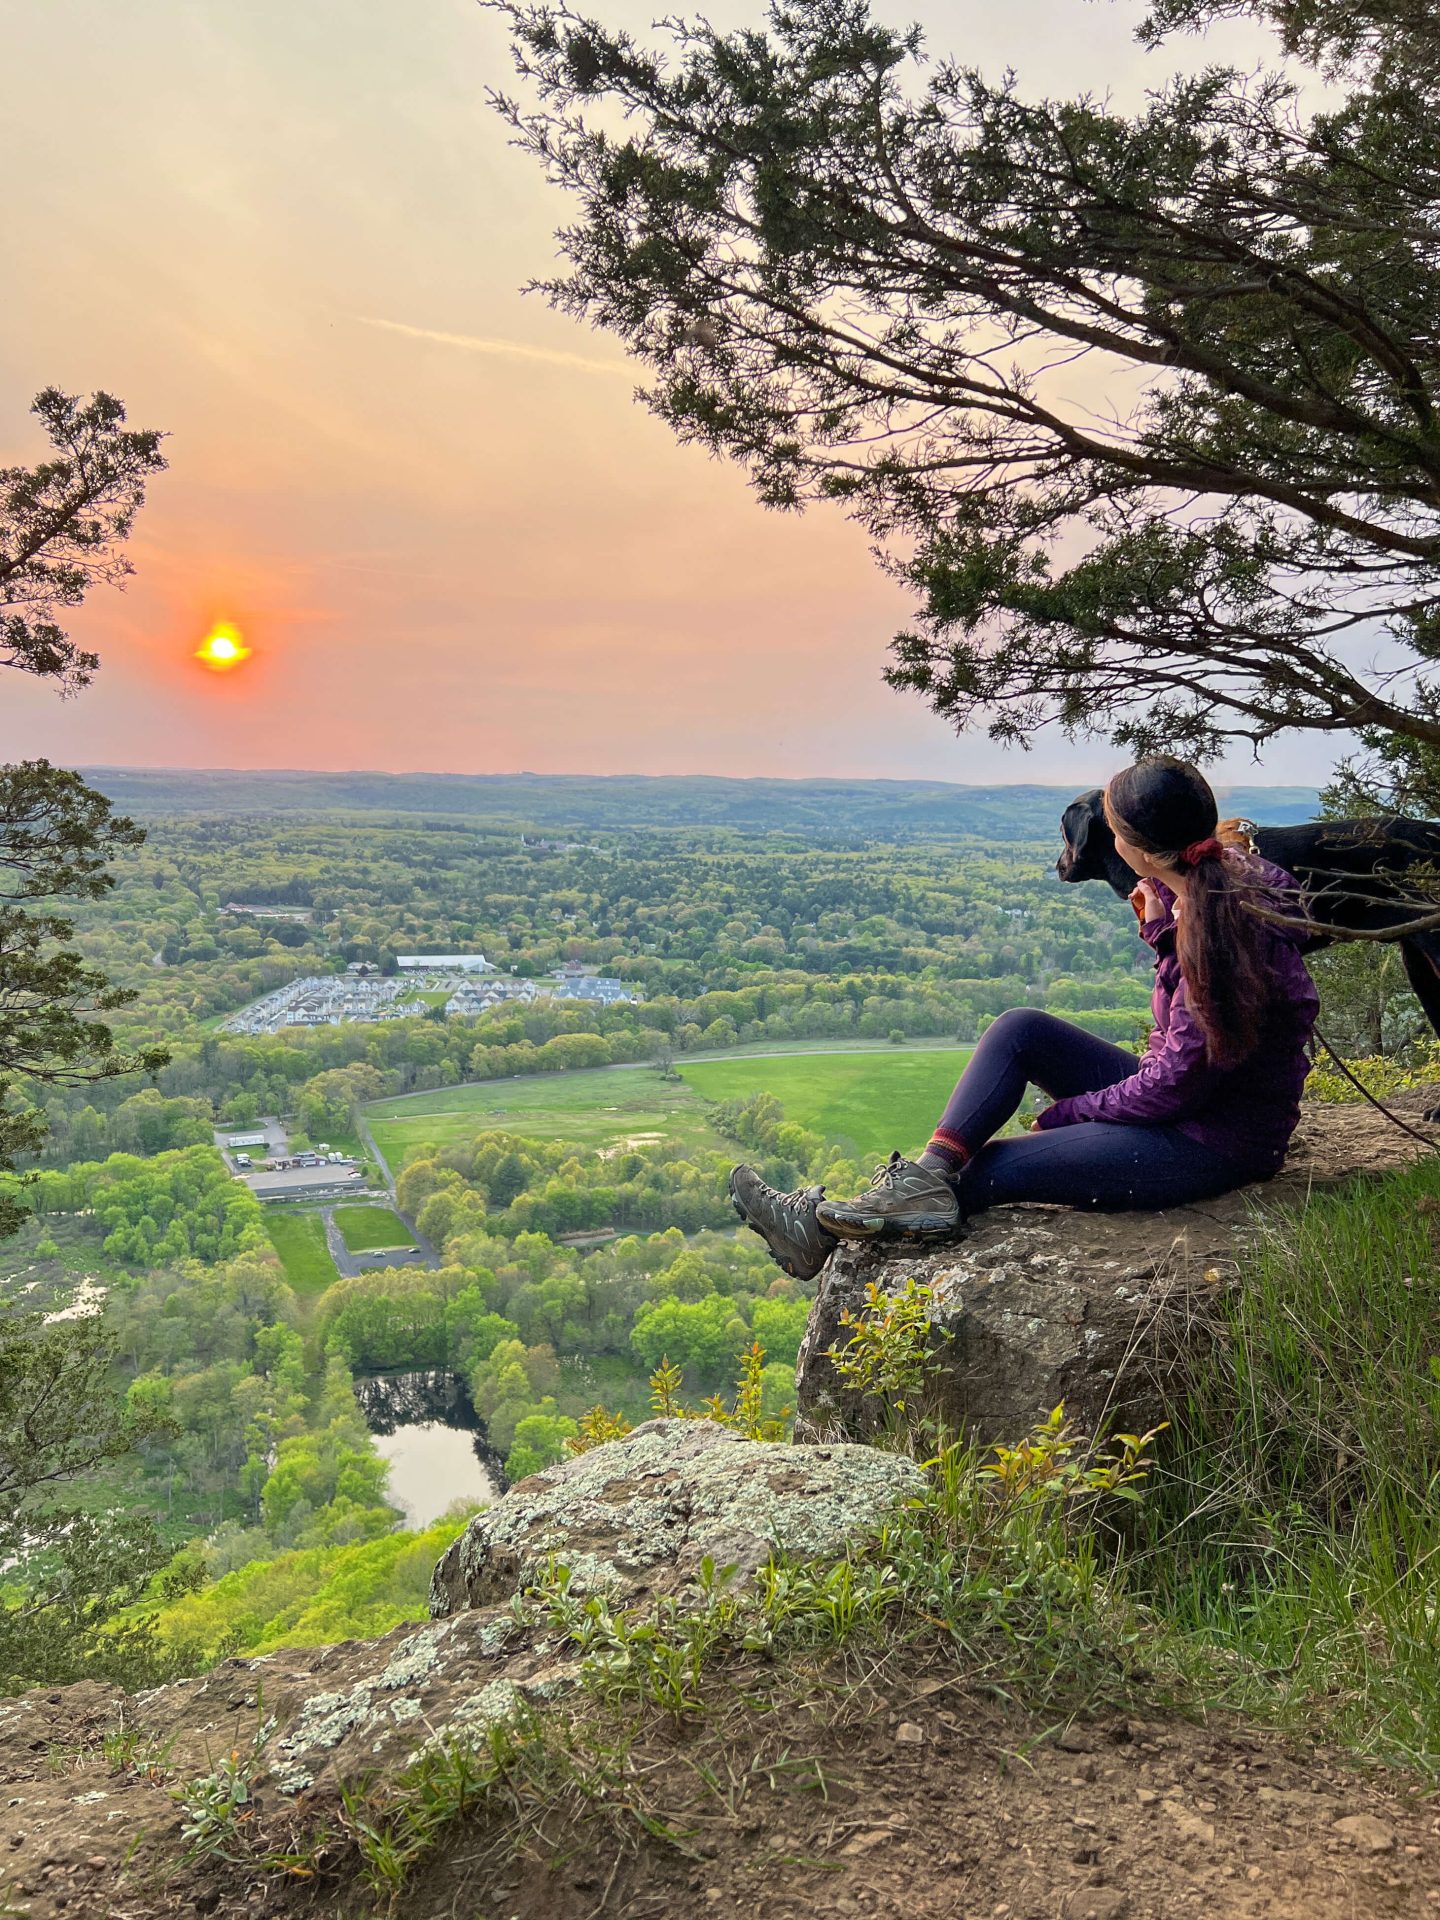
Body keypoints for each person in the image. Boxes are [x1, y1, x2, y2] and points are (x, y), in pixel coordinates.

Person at [729, 757, 1319, 1282]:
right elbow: (1197, 1049)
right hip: (1204, 1102)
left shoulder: (1211, 937)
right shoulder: (1222, 883)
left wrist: (1072, 1112)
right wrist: (1161, 925)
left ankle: (819, 1233)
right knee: (1021, 1029)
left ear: (1137, 847)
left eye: (1113, 830)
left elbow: (1174, 1083)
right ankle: (924, 1174)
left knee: (986, 1172)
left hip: (1211, 1140)